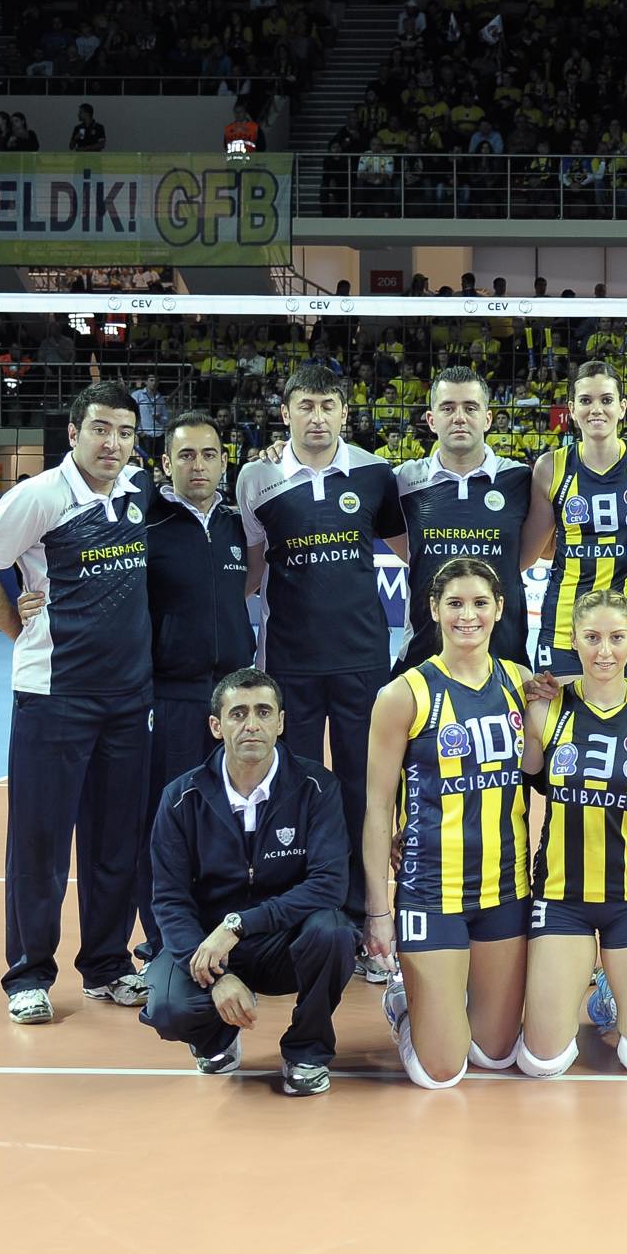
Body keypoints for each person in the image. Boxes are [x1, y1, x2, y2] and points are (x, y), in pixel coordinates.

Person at [0, 382, 153, 1025]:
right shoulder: (39, 496)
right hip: (55, 695)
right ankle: (29, 974)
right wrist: (20, 628)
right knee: (40, 842)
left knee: (115, 842)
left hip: (128, 698)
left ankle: (107, 966)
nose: (112, 443)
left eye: (125, 432)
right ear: (74, 433)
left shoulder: (138, 491)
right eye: (100, 429)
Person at [237, 365, 405, 976]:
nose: (317, 417)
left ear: (343, 413)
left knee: (367, 793)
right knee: (296, 792)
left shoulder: (375, 473)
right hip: (288, 666)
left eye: (327, 405)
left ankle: (366, 921)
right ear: (286, 413)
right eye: (305, 405)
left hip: (363, 662)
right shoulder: (255, 478)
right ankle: (303, 918)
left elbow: (415, 555)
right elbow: (249, 570)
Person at [356, 559, 531, 1088]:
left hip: (506, 888)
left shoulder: (522, 684)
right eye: (454, 603)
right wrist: (378, 913)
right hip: (432, 890)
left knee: (496, 1053)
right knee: (441, 1071)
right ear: (433, 610)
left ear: (500, 609)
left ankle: (451, 1005)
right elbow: (377, 807)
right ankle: (406, 1004)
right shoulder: (403, 694)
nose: (467, 615)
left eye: (479, 603)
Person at [145, 669, 357, 1097]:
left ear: (280, 722)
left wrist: (239, 925)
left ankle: (307, 1050)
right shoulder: (181, 798)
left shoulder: (317, 788)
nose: (252, 725)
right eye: (238, 714)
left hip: (283, 941)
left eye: (263, 712)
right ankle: (216, 1038)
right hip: (211, 945)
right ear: (216, 725)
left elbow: (328, 885)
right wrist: (217, 977)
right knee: (168, 1008)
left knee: (334, 933)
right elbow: (169, 899)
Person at [513, 590, 627, 1077]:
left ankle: (611, 990)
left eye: (616, 638)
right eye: (592, 638)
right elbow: (520, 789)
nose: (604, 651)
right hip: (562, 897)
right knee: (542, 1063)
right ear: (573, 640)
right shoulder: (544, 712)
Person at [140, 411, 254, 962]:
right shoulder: (147, 524)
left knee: (231, 819)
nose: (198, 465)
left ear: (224, 462)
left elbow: (246, 588)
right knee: (170, 818)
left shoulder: (239, 524)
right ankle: (164, 940)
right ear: (166, 464)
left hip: (233, 698)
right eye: (185, 455)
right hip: (173, 697)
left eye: (209, 454)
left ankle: (224, 933)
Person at [527, 361, 627, 683]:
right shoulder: (550, 467)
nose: (596, 409)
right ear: (572, 410)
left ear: (622, 408)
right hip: (565, 626)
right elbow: (534, 552)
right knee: (554, 713)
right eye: (586, 400)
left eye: (606, 400)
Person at [393, 367, 531, 674]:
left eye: (470, 408)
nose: (459, 417)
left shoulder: (521, 479)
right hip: (422, 659)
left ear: (487, 418)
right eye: (448, 408)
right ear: (431, 420)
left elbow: (528, 555)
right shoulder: (403, 480)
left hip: (505, 659)